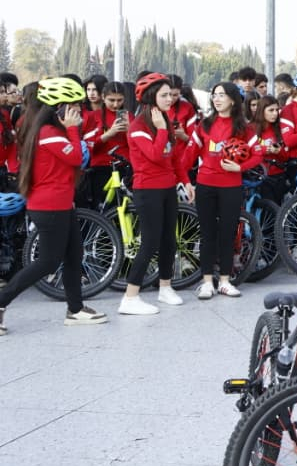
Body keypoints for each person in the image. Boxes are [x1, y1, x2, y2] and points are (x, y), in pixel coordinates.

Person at [0, 78, 107, 334]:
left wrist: (70, 130)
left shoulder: (53, 132)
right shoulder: (48, 133)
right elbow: (77, 158)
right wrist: (73, 130)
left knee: (74, 255)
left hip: (62, 203)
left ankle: (75, 309)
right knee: (48, 262)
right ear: (59, 108)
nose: (78, 110)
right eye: (73, 105)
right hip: (49, 206)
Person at [185, 81, 260, 300]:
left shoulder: (244, 128)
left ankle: (225, 282)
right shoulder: (205, 125)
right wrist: (185, 181)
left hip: (231, 187)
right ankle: (207, 282)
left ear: (233, 100)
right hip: (205, 185)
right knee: (208, 234)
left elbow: (258, 154)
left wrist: (240, 168)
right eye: (214, 95)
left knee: (228, 234)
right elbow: (188, 156)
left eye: (221, 95)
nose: (216, 99)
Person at [120, 73, 185, 315]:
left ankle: (165, 287)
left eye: (170, 95)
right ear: (150, 97)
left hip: (167, 188)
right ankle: (130, 297)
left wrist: (185, 181)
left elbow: (173, 157)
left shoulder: (164, 121)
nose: (170, 99)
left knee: (169, 240)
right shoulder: (138, 126)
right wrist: (161, 130)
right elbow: (156, 155)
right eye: (164, 95)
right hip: (148, 190)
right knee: (150, 243)